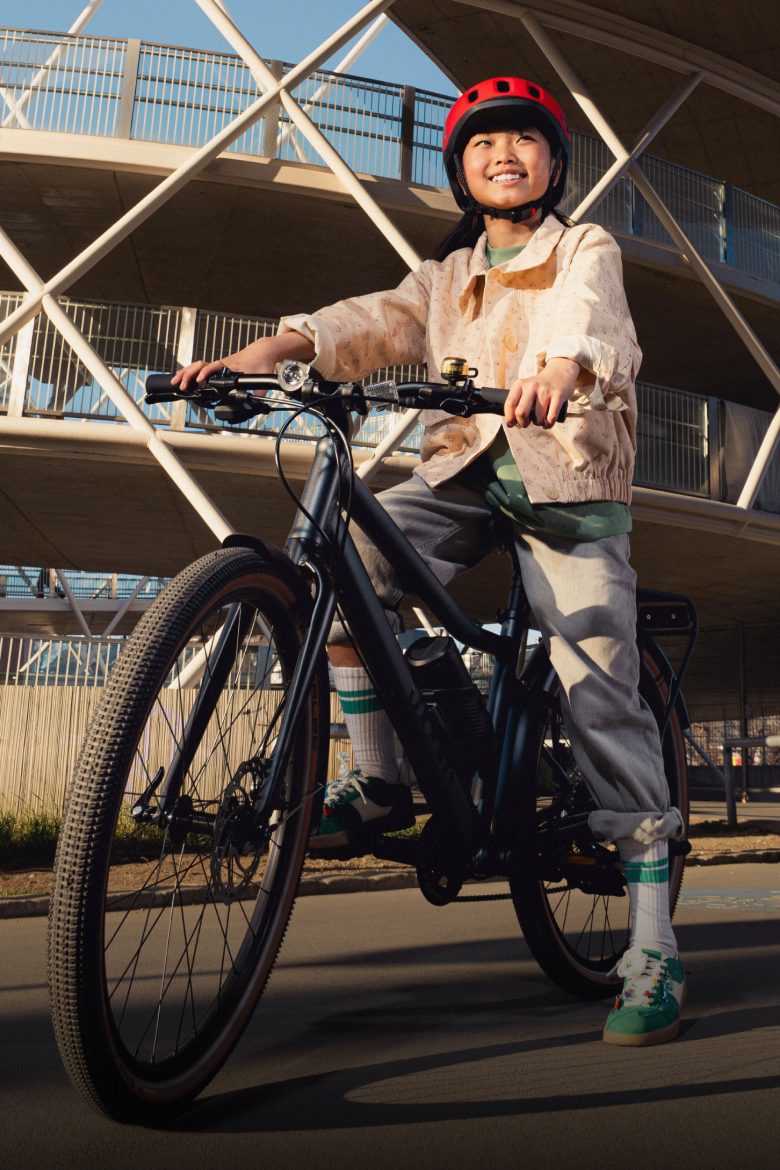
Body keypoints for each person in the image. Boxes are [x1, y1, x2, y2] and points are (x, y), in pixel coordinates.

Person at [174, 76, 687, 1047]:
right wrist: (258, 355)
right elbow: (362, 325)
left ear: (553, 162)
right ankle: (382, 780)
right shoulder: (444, 278)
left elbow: (592, 320)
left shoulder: (584, 245)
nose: (504, 155)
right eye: (482, 144)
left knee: (598, 686)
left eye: (524, 141)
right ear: (460, 170)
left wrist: (558, 370)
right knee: (347, 553)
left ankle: (654, 947)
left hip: (566, 483)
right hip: (459, 472)